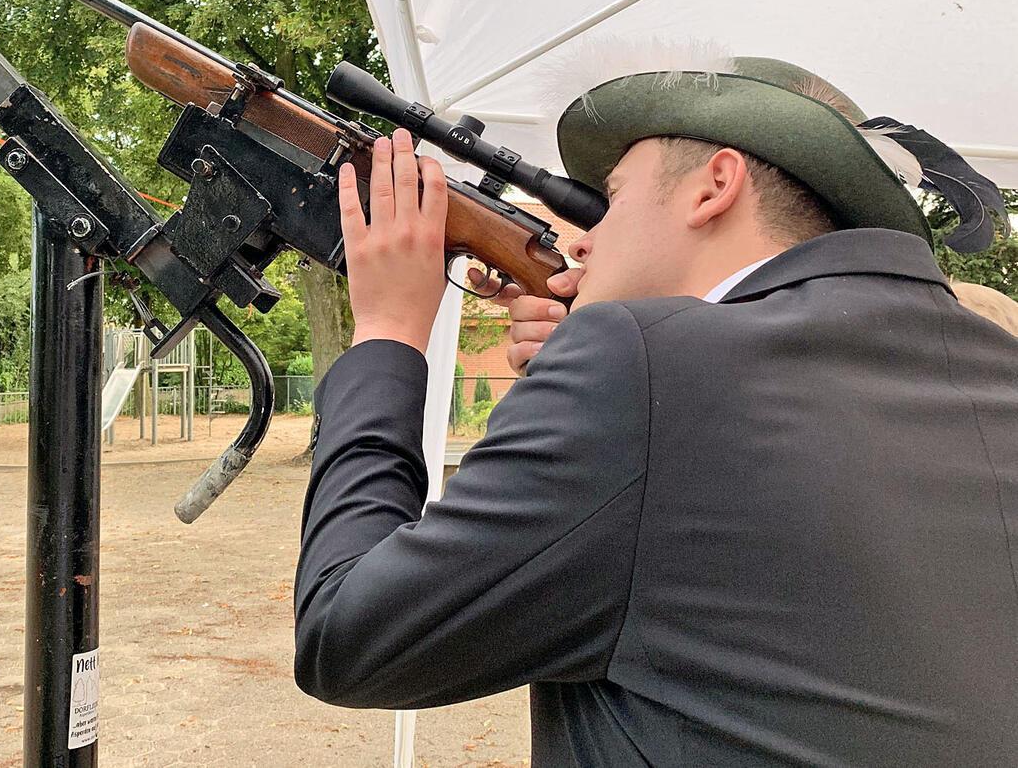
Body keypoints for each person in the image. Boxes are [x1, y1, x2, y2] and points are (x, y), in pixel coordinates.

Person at [292, 55, 1018, 766]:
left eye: (611, 197)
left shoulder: (640, 363)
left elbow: (345, 640)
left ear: (715, 186)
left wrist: (388, 332)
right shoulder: (994, 365)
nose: (584, 237)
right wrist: (598, 389)